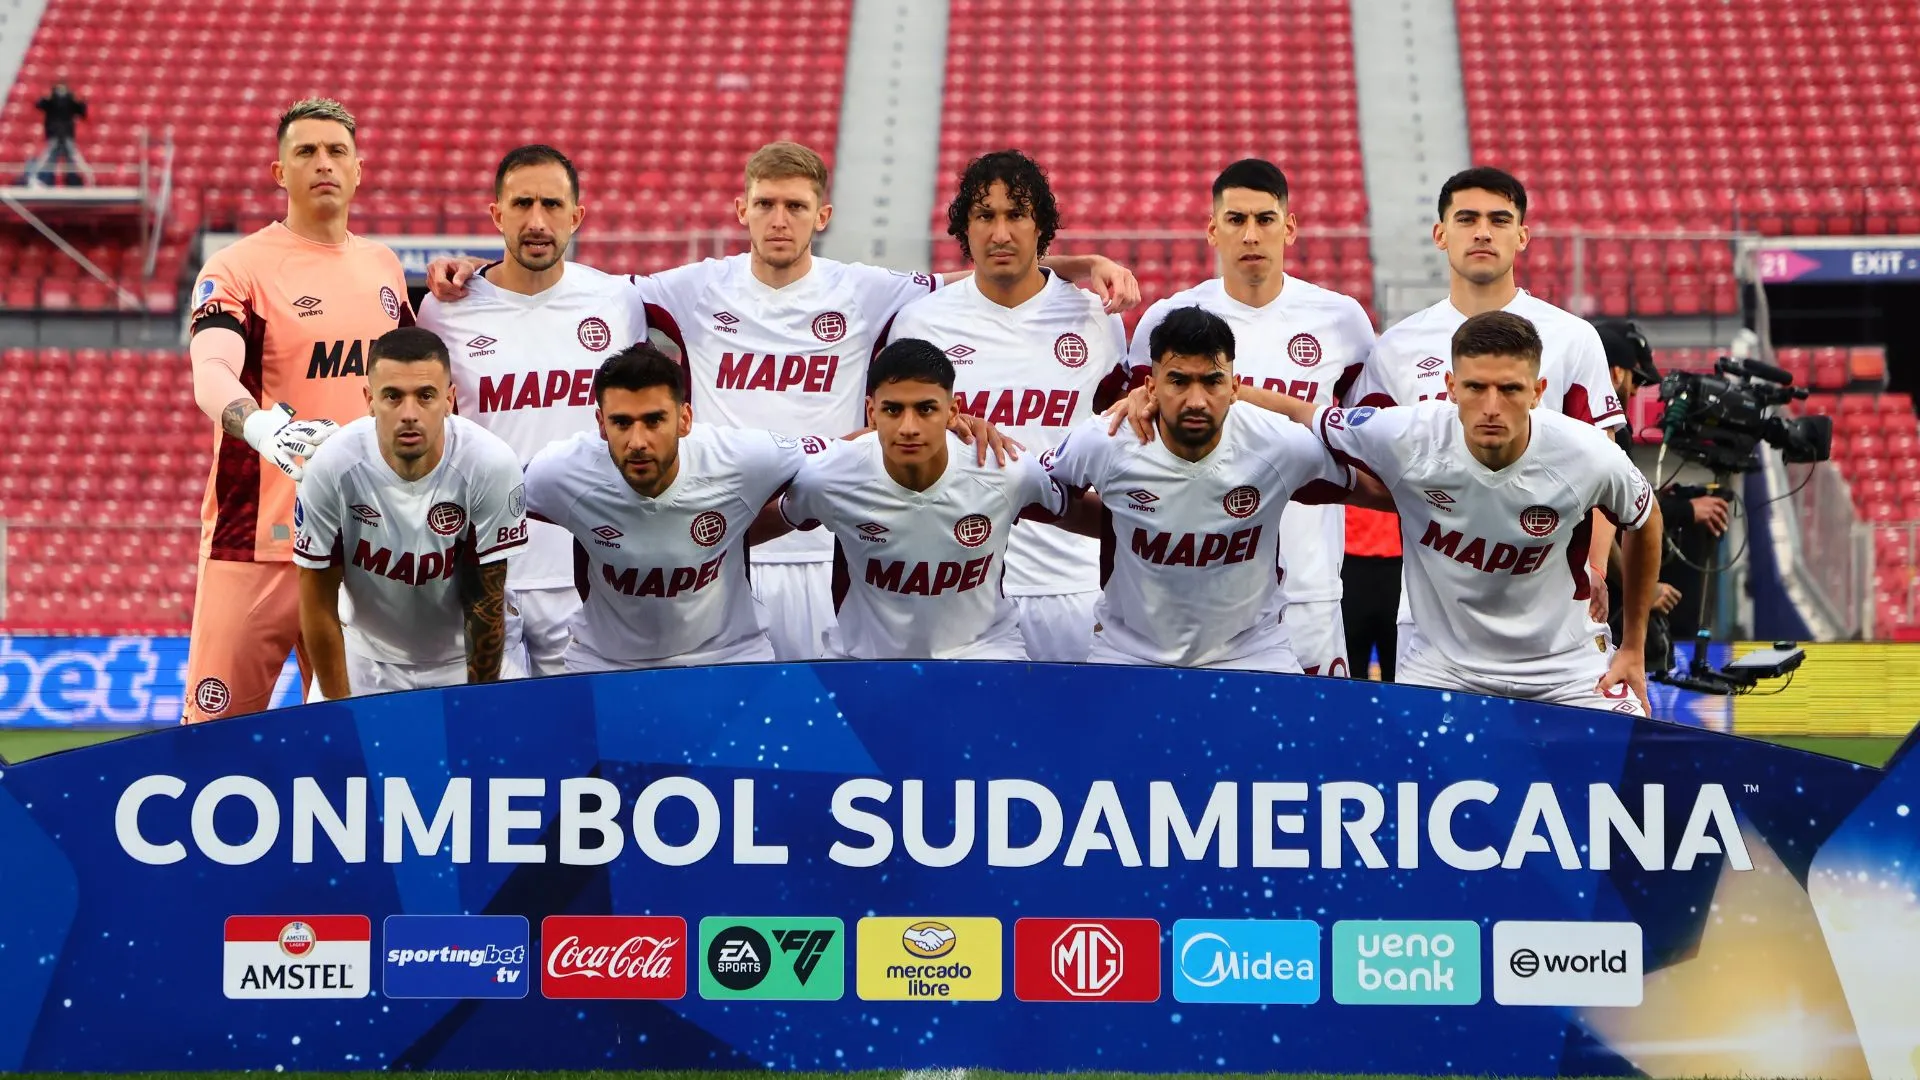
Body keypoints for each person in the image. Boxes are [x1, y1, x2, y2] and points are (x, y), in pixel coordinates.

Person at [425, 141, 1129, 661]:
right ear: (742, 209)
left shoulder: (868, 290)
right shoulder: (688, 288)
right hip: (727, 548)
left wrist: (1077, 265)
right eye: (765, 204)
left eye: (795, 205)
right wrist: (476, 273)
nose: (780, 219)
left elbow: (978, 274)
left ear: (822, 214)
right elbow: (553, 286)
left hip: (830, 542)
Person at [182, 98, 413, 723]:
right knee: (214, 740)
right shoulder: (238, 267)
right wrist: (261, 426)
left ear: (358, 169)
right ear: (279, 172)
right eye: (306, 151)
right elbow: (211, 369)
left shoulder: (384, 267)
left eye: (337, 151)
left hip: (364, 546)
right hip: (257, 542)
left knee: (360, 741)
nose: (323, 163)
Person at [1311, 311, 1663, 714]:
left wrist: (1633, 645)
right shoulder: (1411, 433)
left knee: (1631, 745)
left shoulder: (1586, 452)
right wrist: (1243, 405)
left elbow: (1646, 517)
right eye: (1476, 387)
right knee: (1384, 742)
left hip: (1567, 669)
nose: (1492, 406)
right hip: (1443, 668)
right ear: (1450, 387)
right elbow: (1303, 418)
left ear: (1538, 391)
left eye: (1510, 389)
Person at [1345, 166, 1628, 662]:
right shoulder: (1396, 348)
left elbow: (1607, 473)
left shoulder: (1572, 337)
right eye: (1467, 219)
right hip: (1434, 625)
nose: (1482, 232)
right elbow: (1368, 472)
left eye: (1499, 220)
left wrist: (1598, 567)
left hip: (1554, 619)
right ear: (1441, 234)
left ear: (1522, 236)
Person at [1126, 159, 1377, 676]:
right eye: (1236, 219)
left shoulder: (1341, 319)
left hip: (1311, 586)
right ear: (1212, 229)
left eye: (1265, 219)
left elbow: (1358, 442)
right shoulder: (1166, 321)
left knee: (1310, 730)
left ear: (1290, 227)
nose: (1251, 234)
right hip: (1198, 591)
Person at [881, 150, 1129, 662]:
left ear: (1041, 226)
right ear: (964, 228)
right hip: (958, 588)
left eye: (1016, 214)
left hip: (1076, 582)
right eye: (984, 216)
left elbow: (1119, 445)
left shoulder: (1096, 319)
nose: (1000, 233)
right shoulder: (920, 322)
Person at [416, 144, 646, 679]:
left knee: (585, 730)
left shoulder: (617, 301)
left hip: (590, 570)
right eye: (521, 204)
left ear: (577, 216)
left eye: (551, 204)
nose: (537, 221)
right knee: (494, 728)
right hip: (486, 571)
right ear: (497, 214)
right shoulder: (443, 310)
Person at [1044, 307, 1354, 670]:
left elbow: (1373, 490)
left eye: (1212, 381)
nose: (1196, 401)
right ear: (1151, 387)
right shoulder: (1106, 440)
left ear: (1235, 388)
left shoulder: (1280, 444)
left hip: (1254, 653)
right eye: (1178, 381)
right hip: (1129, 653)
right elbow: (1032, 490)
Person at [521, 342, 829, 672]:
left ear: (684, 419)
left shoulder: (741, 459)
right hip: (606, 662)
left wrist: (792, 512)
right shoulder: (559, 472)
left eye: (654, 421)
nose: (637, 442)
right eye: (621, 423)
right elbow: (493, 491)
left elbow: (844, 459)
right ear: (601, 423)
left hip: (730, 654)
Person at [777, 338, 1087, 660]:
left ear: (952, 411)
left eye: (926, 409)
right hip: (862, 660)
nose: (909, 428)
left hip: (984, 654)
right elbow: (762, 519)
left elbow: (1076, 511)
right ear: (871, 412)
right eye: (893, 410)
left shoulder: (1005, 471)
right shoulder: (830, 476)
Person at [291, 328, 528, 698]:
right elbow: (317, 600)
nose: (409, 414)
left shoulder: (489, 464)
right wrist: (340, 710)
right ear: (369, 400)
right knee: (335, 736)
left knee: (495, 735)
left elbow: (485, 602)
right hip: (366, 656)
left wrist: (477, 706)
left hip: (465, 657)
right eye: (393, 396)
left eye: (425, 396)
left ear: (449, 399)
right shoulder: (330, 467)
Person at [1592, 318, 1728, 665]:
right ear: (1616, 373)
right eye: (1636, 380)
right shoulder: (1609, 431)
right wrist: (1644, 590)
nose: (1637, 392)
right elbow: (1603, 519)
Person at [28, 80, 89, 187]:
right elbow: (39, 105)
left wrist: (80, 101)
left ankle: (75, 181)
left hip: (66, 134)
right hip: (54, 134)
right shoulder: (51, 100)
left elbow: (81, 111)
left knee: (71, 158)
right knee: (50, 158)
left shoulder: (70, 101)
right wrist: (47, 98)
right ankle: (43, 179)